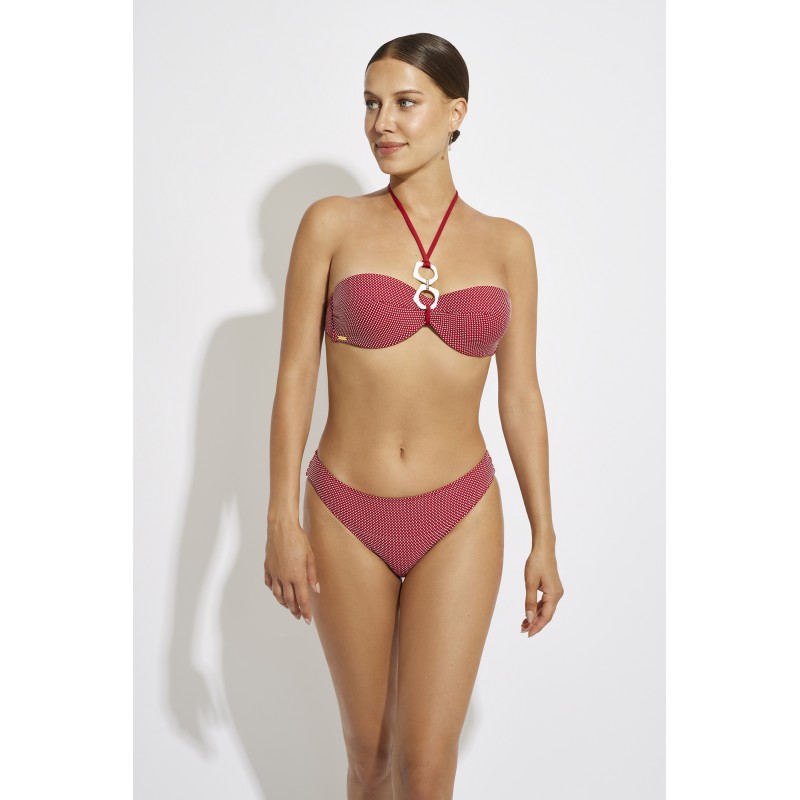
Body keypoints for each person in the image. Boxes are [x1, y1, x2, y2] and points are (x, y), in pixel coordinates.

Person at [264, 32, 564, 799]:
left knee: (429, 768)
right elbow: (295, 375)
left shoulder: (507, 245)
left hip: (461, 512)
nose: (382, 123)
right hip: (345, 509)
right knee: (370, 758)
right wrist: (280, 519)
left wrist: (545, 535)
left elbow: (521, 395)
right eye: (371, 104)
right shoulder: (331, 224)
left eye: (405, 103)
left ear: (456, 112)